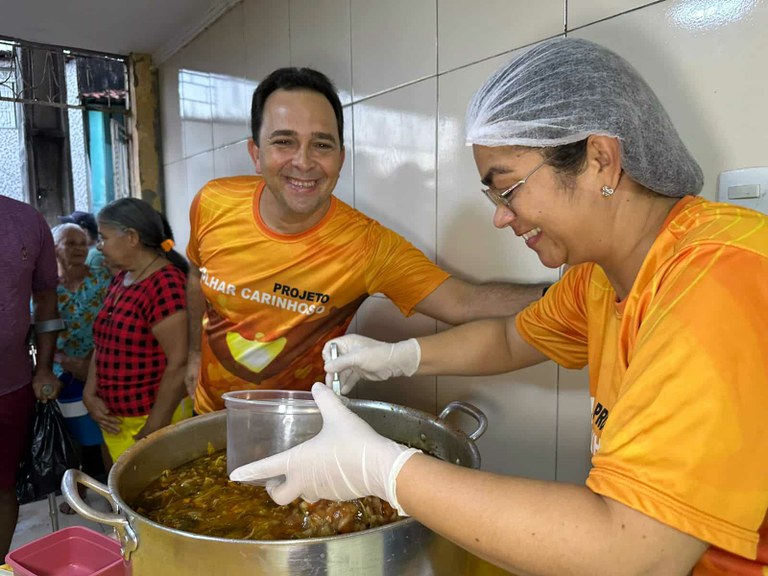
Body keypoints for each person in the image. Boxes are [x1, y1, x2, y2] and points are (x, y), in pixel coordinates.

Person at [230, 38, 768, 576]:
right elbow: (511, 339)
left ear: (601, 159)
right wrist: (396, 357)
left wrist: (384, 470)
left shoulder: (717, 280)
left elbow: (637, 553)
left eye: (507, 189)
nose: (501, 218)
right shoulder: (600, 275)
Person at [185, 66, 547, 412]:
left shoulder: (366, 246)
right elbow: (195, 277)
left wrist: (569, 294)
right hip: (208, 415)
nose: (304, 161)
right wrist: (193, 354)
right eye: (284, 141)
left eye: (322, 145)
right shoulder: (213, 202)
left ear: (340, 158)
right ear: (256, 153)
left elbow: (463, 303)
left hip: (298, 430)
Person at [83, 198, 192, 462]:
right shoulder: (123, 277)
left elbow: (179, 363)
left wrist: (154, 429)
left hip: (153, 419)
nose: (100, 246)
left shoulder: (166, 284)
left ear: (131, 237)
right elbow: (104, 341)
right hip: (118, 418)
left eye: (103, 238)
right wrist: (90, 392)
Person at [0, 195, 62, 558]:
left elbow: (46, 298)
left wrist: (44, 367)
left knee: (3, 486)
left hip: (11, 386)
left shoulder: (25, 219)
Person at [50, 223, 112, 511]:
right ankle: (76, 495)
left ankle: (116, 494)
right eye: (69, 243)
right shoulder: (45, 289)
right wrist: (66, 362)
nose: (78, 249)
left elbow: (113, 323)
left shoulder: (102, 279)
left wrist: (91, 362)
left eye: (82, 243)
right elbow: (38, 332)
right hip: (64, 372)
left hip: (102, 366)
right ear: (54, 249)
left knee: (106, 430)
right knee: (71, 436)